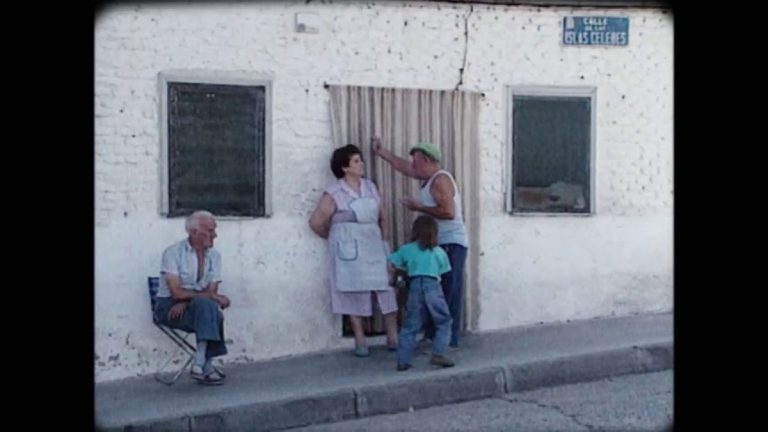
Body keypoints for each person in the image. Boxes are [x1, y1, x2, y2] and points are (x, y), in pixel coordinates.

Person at [372, 137, 468, 348]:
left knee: (448, 290)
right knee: (432, 290)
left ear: (426, 160)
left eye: (416, 161)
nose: (413, 166)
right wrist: (383, 153)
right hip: (436, 243)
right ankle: (435, 335)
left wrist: (419, 208)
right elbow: (405, 168)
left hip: (450, 243)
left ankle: (448, 339)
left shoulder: (440, 180)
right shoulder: (427, 178)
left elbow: (449, 213)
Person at [309, 144, 399, 357]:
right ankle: (360, 338)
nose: (361, 165)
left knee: (385, 286)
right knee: (352, 288)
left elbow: (382, 216)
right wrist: (335, 238)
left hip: (373, 242)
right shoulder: (334, 192)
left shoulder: (370, 187)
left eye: (361, 160)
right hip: (349, 247)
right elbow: (316, 222)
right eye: (356, 161)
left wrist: (385, 243)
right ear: (345, 167)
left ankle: (393, 335)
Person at [154, 210, 230, 385]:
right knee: (212, 311)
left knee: (210, 309)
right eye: (211, 230)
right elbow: (175, 292)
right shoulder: (172, 253)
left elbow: (211, 291)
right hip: (168, 308)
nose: (215, 235)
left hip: (196, 306)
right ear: (194, 232)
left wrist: (188, 301)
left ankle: (199, 363)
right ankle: (206, 366)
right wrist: (194, 298)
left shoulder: (215, 256)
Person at [389, 215, 455, 371]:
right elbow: (444, 271)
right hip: (433, 285)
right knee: (443, 321)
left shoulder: (407, 249)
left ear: (415, 231)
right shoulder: (439, 252)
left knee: (410, 325)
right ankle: (438, 353)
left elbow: (392, 263)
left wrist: (401, 273)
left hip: (414, 286)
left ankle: (403, 360)